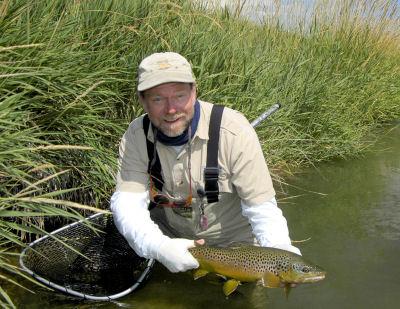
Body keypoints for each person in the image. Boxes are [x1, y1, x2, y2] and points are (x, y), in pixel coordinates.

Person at [111, 52, 300, 273]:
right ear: (142, 101)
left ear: (194, 92)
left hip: (237, 251)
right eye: (158, 99)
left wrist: (279, 251)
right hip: (172, 241)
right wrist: (159, 247)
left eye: (180, 96)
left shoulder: (235, 132)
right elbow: (127, 205)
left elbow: (262, 209)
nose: (171, 109)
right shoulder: (136, 136)